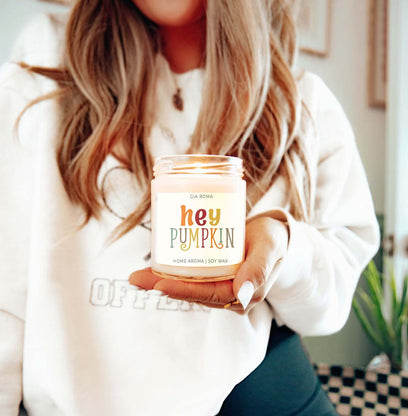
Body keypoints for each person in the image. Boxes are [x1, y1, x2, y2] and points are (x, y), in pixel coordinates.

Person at [0, 0, 380, 415]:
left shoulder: (302, 105)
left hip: (261, 394)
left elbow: (329, 306)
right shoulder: (36, 87)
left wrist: (283, 246)